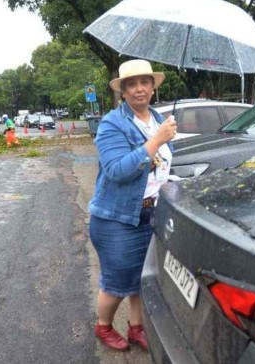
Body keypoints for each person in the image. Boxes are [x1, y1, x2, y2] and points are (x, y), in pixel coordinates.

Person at [87, 59, 177, 351]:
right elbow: (116, 170)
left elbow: (161, 165)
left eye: (144, 82)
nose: (139, 89)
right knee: (116, 283)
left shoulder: (157, 117)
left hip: (152, 211)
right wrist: (156, 140)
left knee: (141, 278)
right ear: (123, 91)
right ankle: (103, 327)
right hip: (118, 219)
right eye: (131, 84)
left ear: (153, 88)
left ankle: (137, 328)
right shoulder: (113, 123)